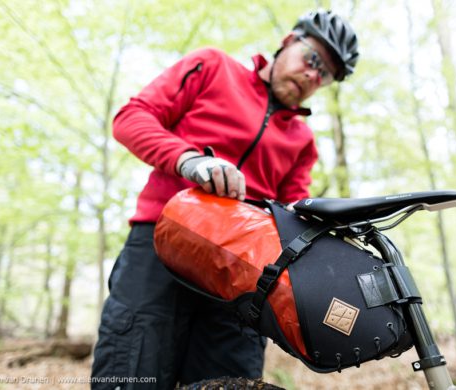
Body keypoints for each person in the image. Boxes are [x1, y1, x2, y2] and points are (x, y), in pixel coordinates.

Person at [91, 9, 359, 390]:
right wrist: (189, 160)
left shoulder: (302, 141)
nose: (312, 76)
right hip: (160, 244)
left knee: (230, 379)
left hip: (241, 274)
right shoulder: (213, 66)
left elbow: (294, 213)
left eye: (325, 75)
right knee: (130, 370)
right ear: (288, 42)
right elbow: (132, 118)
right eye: (312, 59)